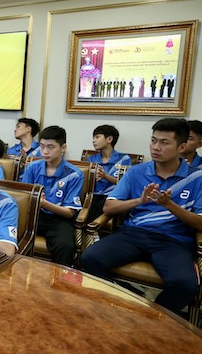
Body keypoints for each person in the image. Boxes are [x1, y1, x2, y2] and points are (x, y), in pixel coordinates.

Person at [81, 118, 202, 316]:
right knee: (90, 258)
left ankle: (150, 317)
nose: (156, 147)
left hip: (173, 240)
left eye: (164, 143)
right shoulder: (136, 172)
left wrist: (169, 205)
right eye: (153, 140)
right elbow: (108, 206)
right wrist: (139, 201)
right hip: (133, 234)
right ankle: (125, 304)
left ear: (181, 147)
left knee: (185, 285)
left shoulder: (196, 178)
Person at [21, 126, 84, 266]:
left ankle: (57, 283)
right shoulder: (32, 168)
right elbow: (24, 199)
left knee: (65, 247)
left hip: (58, 219)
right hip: (33, 215)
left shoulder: (74, 174)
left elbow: (69, 213)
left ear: (63, 148)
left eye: (50, 147)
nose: (44, 151)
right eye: (42, 146)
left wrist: (44, 204)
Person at [86, 125, 132, 221]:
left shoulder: (124, 159)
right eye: (93, 137)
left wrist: (106, 176)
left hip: (113, 197)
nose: (93, 141)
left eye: (97, 137)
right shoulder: (92, 159)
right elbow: (86, 182)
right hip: (94, 197)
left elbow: (127, 184)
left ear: (109, 139)